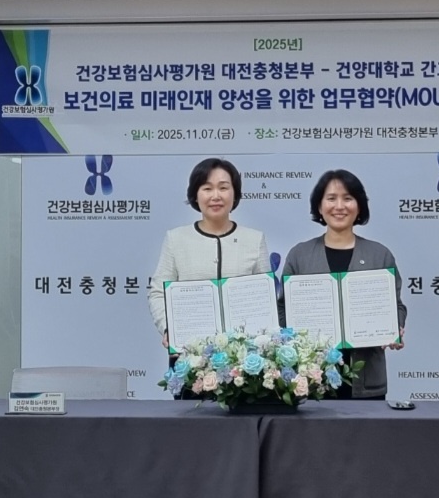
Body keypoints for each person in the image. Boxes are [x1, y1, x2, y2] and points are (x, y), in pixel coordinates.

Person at [280, 169, 406, 399]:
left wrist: (394, 328)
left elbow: (396, 306)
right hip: (311, 379)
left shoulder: (380, 255)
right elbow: (282, 309)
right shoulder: (300, 255)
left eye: (348, 198)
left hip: (366, 379)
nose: (339, 206)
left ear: (359, 206)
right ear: (319, 207)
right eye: (331, 198)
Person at [148, 156, 271, 352]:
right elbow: (157, 292)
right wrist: (168, 328)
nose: (216, 196)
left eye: (223, 188)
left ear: (235, 194)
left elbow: (265, 298)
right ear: (195, 195)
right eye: (207, 188)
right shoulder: (176, 239)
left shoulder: (254, 239)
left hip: (243, 356)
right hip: (190, 351)